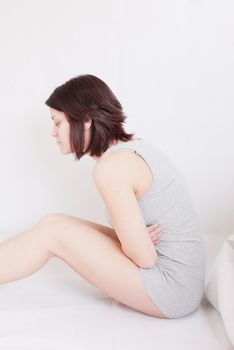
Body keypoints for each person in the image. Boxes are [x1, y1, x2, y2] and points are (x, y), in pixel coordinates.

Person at [0, 74, 205, 319]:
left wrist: (135, 243)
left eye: (57, 122)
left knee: (52, 233)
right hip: (183, 283)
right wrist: (134, 238)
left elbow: (145, 257)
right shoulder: (133, 151)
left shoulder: (112, 167)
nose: (53, 133)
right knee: (53, 222)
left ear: (85, 120)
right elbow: (140, 247)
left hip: (172, 292)